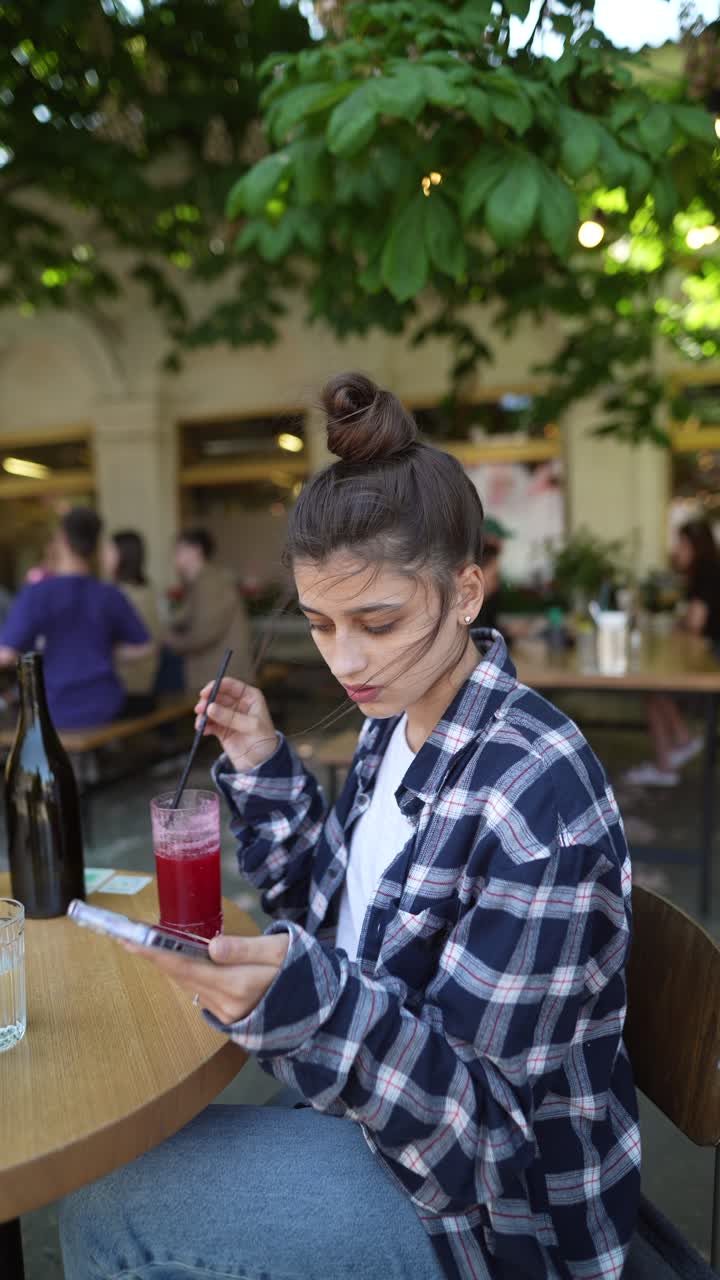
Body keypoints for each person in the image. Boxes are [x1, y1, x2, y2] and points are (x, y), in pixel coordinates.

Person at [60, 374, 640, 1280]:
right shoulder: (395, 721)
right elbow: (335, 909)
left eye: (378, 621)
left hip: (498, 1223)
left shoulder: (538, 795)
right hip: (379, 1127)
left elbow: (487, 1142)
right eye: (322, 624)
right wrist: (261, 766)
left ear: (467, 592)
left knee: (108, 1209)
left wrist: (311, 1007)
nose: (347, 662)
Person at [0, 507, 152, 730]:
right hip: (106, 704)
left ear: (61, 539)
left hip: (55, 708)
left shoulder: (38, 594)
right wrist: (104, 650)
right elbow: (145, 647)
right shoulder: (108, 594)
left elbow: (5, 655)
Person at [623, 517, 720, 787]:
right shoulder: (707, 571)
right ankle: (677, 746)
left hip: (710, 661)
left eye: (681, 542)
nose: (676, 549)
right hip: (707, 655)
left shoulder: (708, 574)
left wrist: (675, 625)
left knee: (653, 685)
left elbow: (695, 623)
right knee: (652, 687)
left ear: (694, 545)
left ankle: (672, 756)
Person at [165, 527, 253, 690]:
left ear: (196, 550)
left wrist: (171, 642)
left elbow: (205, 632)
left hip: (221, 676)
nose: (174, 556)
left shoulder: (211, 581)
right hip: (215, 673)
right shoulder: (202, 580)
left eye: (179, 549)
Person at [102, 530, 161, 716]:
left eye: (108, 550)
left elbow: (146, 647)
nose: (103, 555)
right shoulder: (147, 590)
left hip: (128, 689)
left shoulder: (122, 595)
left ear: (122, 555)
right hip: (144, 685)